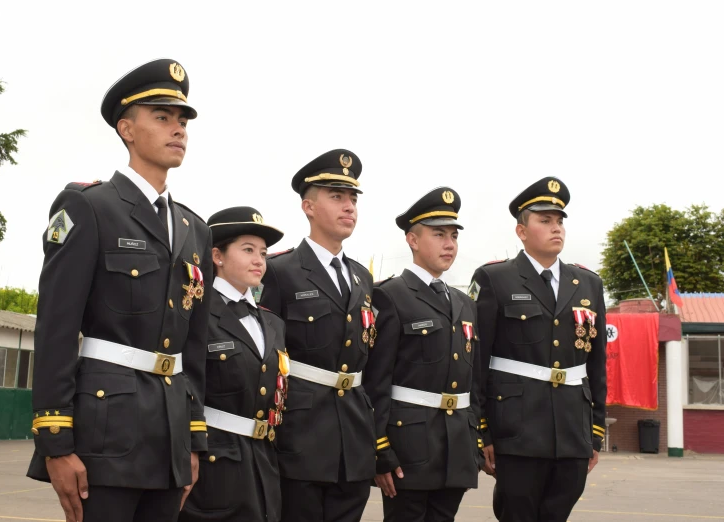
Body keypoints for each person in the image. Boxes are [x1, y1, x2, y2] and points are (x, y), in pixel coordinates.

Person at [27, 58, 213, 522]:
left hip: (169, 434)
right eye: (162, 117)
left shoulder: (195, 229)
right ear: (126, 129)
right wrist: (55, 439)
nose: (179, 130)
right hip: (105, 434)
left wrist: (193, 440)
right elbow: (56, 327)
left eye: (183, 120)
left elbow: (194, 346)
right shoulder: (90, 207)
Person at [469, 177, 607, 522]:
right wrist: (482, 430)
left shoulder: (589, 283)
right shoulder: (495, 279)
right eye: (544, 221)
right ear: (521, 231)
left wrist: (596, 430)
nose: (555, 228)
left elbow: (597, 363)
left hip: (573, 429)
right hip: (517, 431)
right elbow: (475, 363)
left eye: (559, 221)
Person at [259, 149, 376, 522]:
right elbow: (263, 357)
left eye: (353, 198)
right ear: (309, 206)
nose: (349, 207)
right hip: (301, 436)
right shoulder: (279, 271)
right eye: (337, 197)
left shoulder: (362, 277)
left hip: (353, 438)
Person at [363, 187, 483, 522]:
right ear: (413, 240)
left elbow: (474, 379)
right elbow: (376, 380)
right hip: (409, 446)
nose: (449, 244)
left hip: (456, 444)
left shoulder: (464, 304)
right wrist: (379, 445)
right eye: (439, 234)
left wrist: (475, 430)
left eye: (454, 236)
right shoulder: (390, 296)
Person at [180, 206, 288, 522]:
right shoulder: (196, 311)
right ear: (217, 255)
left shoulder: (272, 323)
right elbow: (185, 388)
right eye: (248, 250)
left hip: (262, 462)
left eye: (264, 253)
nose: (259, 260)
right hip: (213, 463)